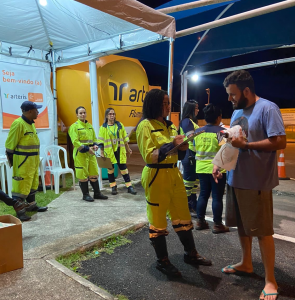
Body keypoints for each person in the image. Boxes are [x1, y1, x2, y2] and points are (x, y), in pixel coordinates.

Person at [213, 70, 286, 300]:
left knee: (263, 231)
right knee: (242, 226)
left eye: (232, 94)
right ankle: (246, 263)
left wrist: (246, 145)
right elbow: (234, 141)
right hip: (236, 178)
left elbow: (279, 141)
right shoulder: (236, 112)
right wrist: (220, 161)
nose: (229, 99)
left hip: (256, 181)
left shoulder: (267, 108)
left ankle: (270, 280)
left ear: (246, 91)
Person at [137, 89, 212, 277]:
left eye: (169, 103)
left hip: (174, 174)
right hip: (156, 176)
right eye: (165, 103)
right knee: (158, 219)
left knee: (183, 215)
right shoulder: (145, 125)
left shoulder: (171, 125)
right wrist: (174, 144)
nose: (169, 106)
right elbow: (150, 155)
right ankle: (162, 261)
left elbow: (179, 153)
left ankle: (190, 253)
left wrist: (183, 145)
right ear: (154, 104)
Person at [5, 101, 48, 221]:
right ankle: (21, 212)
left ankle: (32, 206)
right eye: (36, 110)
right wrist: (16, 164)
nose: (38, 112)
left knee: (32, 184)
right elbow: (9, 147)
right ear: (30, 111)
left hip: (32, 162)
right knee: (21, 187)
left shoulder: (31, 124)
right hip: (23, 163)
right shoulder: (18, 124)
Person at [194, 104, 229, 234]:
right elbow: (226, 152)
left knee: (203, 194)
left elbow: (193, 149)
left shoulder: (198, 131)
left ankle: (200, 221)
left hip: (201, 168)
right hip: (218, 170)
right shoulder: (221, 133)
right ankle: (218, 225)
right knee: (217, 196)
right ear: (219, 117)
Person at [69, 106, 108, 202]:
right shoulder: (74, 127)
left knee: (94, 173)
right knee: (82, 175)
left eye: (84, 112)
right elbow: (75, 142)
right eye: (80, 113)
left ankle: (97, 193)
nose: (83, 114)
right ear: (77, 115)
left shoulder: (90, 126)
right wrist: (87, 149)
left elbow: (94, 139)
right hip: (81, 154)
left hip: (91, 154)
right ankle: (85, 195)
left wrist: (95, 145)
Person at [98, 108, 137, 196]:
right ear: (107, 116)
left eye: (113, 114)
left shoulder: (119, 125)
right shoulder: (103, 127)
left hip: (119, 150)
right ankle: (113, 186)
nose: (112, 116)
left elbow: (124, 138)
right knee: (110, 170)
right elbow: (101, 141)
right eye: (110, 114)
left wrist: (128, 148)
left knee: (124, 169)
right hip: (109, 151)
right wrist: (102, 152)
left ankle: (129, 186)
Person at [179, 99, 199, 217]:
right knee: (189, 182)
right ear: (191, 109)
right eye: (196, 108)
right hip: (189, 153)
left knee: (194, 182)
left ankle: (192, 205)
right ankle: (186, 206)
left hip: (193, 154)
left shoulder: (191, 121)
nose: (198, 110)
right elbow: (191, 137)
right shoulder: (186, 122)